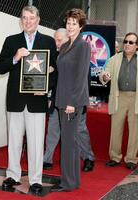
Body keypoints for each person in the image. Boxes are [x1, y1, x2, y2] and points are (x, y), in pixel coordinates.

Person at [0, 5, 57, 195]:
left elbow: (55, 71)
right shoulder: (11, 41)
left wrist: (46, 87)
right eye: (24, 18)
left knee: (37, 143)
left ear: (38, 20)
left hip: (37, 102)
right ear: (20, 20)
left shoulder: (48, 41)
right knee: (13, 140)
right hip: (15, 100)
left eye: (31, 18)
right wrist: (15, 58)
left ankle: (36, 179)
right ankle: (13, 175)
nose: (28, 21)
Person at [43, 28, 95, 172]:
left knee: (79, 131)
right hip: (57, 101)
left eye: (59, 40)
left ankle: (88, 158)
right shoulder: (55, 56)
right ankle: (47, 159)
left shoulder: (80, 54)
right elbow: (53, 81)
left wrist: (77, 102)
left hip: (75, 101)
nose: (56, 43)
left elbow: (83, 82)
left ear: (68, 39)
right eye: (55, 39)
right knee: (53, 130)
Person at [51, 8, 91, 192]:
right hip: (62, 99)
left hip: (72, 102)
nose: (70, 26)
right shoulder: (66, 45)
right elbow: (63, 71)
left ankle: (68, 182)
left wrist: (72, 103)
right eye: (68, 23)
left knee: (69, 143)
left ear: (81, 26)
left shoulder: (83, 46)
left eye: (74, 23)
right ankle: (71, 180)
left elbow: (81, 77)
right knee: (68, 142)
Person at [99, 32, 138, 170]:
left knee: (135, 131)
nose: (127, 44)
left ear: (136, 46)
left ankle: (131, 159)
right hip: (118, 96)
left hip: (135, 99)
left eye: (131, 42)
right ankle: (115, 157)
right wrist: (105, 76)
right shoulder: (114, 59)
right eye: (126, 41)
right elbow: (103, 74)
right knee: (116, 128)